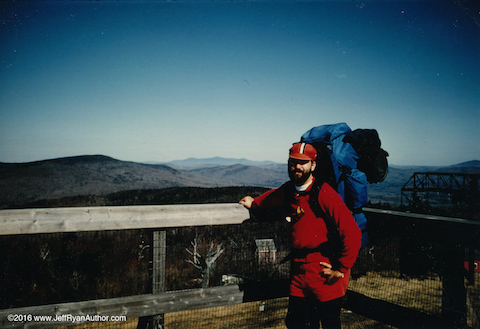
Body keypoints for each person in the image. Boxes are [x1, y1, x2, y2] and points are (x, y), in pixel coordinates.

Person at [239, 142, 362, 329]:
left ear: (313, 165)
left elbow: (352, 232)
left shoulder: (324, 193)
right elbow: (272, 197)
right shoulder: (289, 190)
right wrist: (254, 203)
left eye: (303, 163)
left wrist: (341, 268)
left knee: (330, 324)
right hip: (299, 272)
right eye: (293, 161)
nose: (297, 166)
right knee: (296, 323)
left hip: (323, 270)